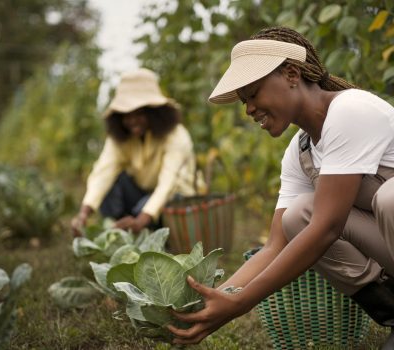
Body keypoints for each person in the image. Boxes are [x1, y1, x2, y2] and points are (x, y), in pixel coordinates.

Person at [168, 26, 394, 349]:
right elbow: (275, 246)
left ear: (290, 74)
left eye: (254, 93)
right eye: (244, 101)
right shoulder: (301, 151)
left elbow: (327, 229)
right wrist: (214, 301)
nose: (248, 110)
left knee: (389, 198)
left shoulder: (350, 111)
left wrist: (241, 304)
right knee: (297, 217)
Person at [71, 68, 205, 236]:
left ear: (155, 113)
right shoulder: (121, 138)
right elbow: (103, 172)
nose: (132, 121)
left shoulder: (176, 136)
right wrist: (84, 213)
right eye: (126, 115)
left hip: (177, 199)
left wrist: (141, 220)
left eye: (139, 114)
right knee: (112, 184)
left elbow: (168, 184)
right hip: (141, 194)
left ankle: (145, 229)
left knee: (149, 205)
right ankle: (123, 230)